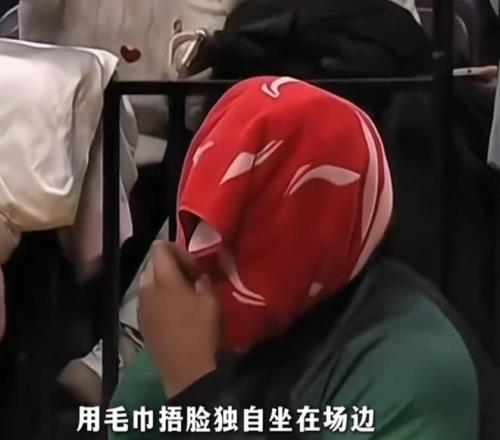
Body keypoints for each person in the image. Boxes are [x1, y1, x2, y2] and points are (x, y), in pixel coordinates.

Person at [107, 77, 498, 440]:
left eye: (249, 219)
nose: (206, 252)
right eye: (202, 224)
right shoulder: (203, 319)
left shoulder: (415, 365)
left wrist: (193, 387)